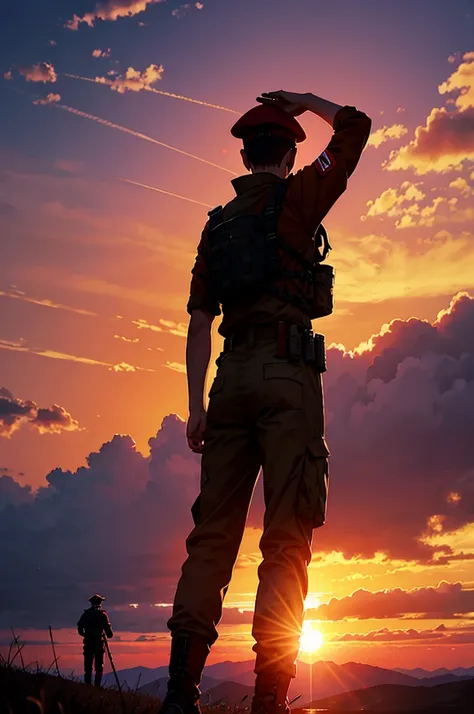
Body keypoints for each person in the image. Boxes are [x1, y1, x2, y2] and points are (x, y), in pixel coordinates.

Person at [161, 90, 371, 714]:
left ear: (247, 153)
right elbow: (356, 129)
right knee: (285, 540)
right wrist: (306, 100)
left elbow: (199, 322)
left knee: (211, 538)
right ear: (287, 154)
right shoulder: (299, 201)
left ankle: (179, 694)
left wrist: (196, 405)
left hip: (227, 383)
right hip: (289, 378)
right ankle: (270, 698)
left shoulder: (217, 226)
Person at [77, 593, 113, 687]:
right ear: (100, 603)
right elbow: (109, 633)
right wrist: (108, 633)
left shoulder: (86, 614)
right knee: (99, 666)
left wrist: (85, 635)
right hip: (99, 643)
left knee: (88, 666)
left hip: (88, 643)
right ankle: (97, 686)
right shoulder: (102, 615)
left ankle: (87, 685)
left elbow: (80, 627)